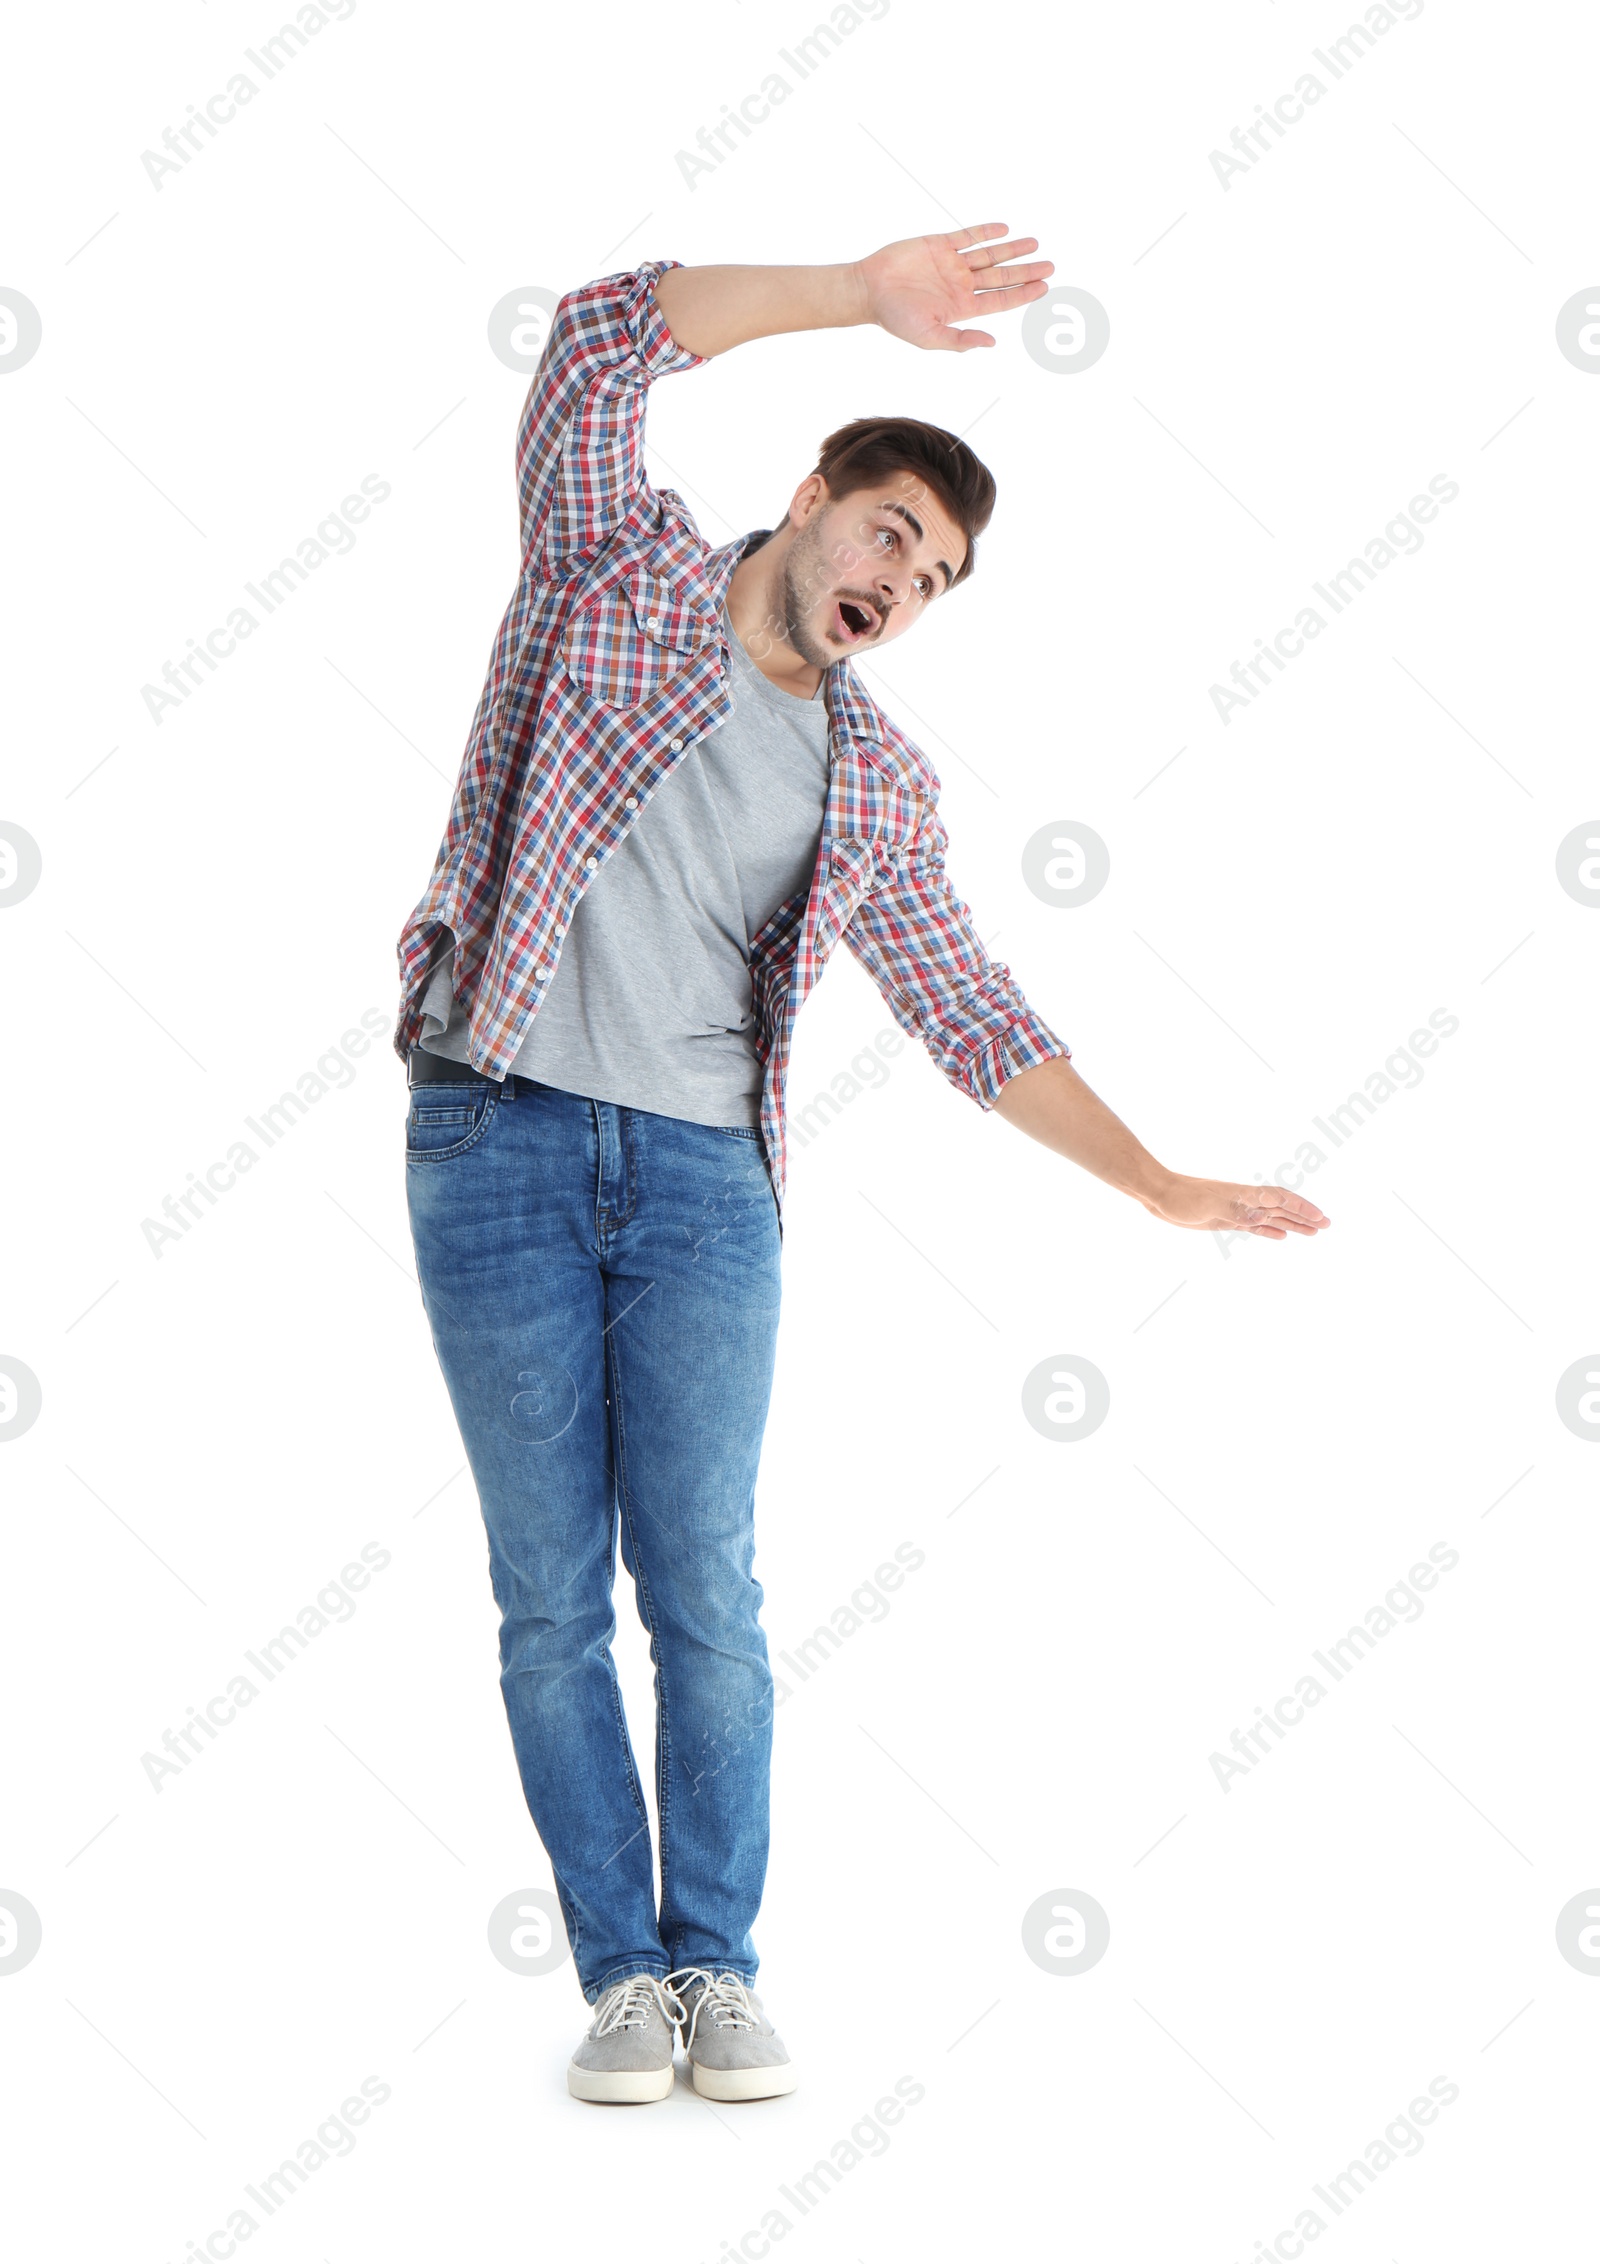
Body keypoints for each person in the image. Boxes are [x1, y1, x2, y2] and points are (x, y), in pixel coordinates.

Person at [393, 224, 1330, 2106]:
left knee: (708, 1591)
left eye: (941, 577)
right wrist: (852, 293)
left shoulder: (875, 780)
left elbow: (966, 1003)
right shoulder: (611, 573)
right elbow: (593, 347)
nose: (906, 584)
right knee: (547, 1596)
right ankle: (621, 1983)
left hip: (704, 1191)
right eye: (895, 532)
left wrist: (1153, 1182)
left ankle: (718, 1965)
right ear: (817, 500)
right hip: (491, 1129)